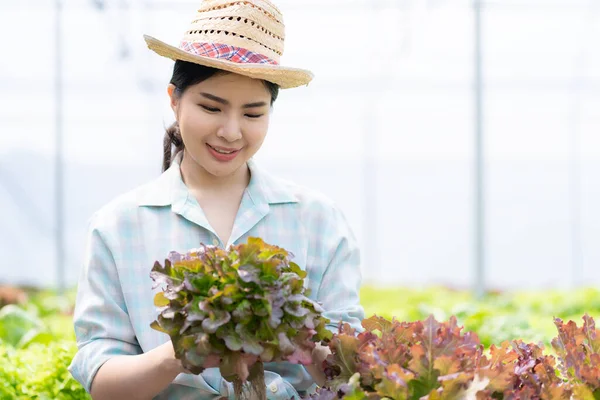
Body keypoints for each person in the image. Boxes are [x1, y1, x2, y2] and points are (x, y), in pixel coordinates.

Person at [68, 0, 364, 399]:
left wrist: (305, 345)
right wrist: (183, 349)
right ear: (175, 98)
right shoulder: (117, 225)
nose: (230, 131)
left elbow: (353, 375)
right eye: (211, 107)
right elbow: (102, 381)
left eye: (253, 114)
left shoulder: (318, 220)